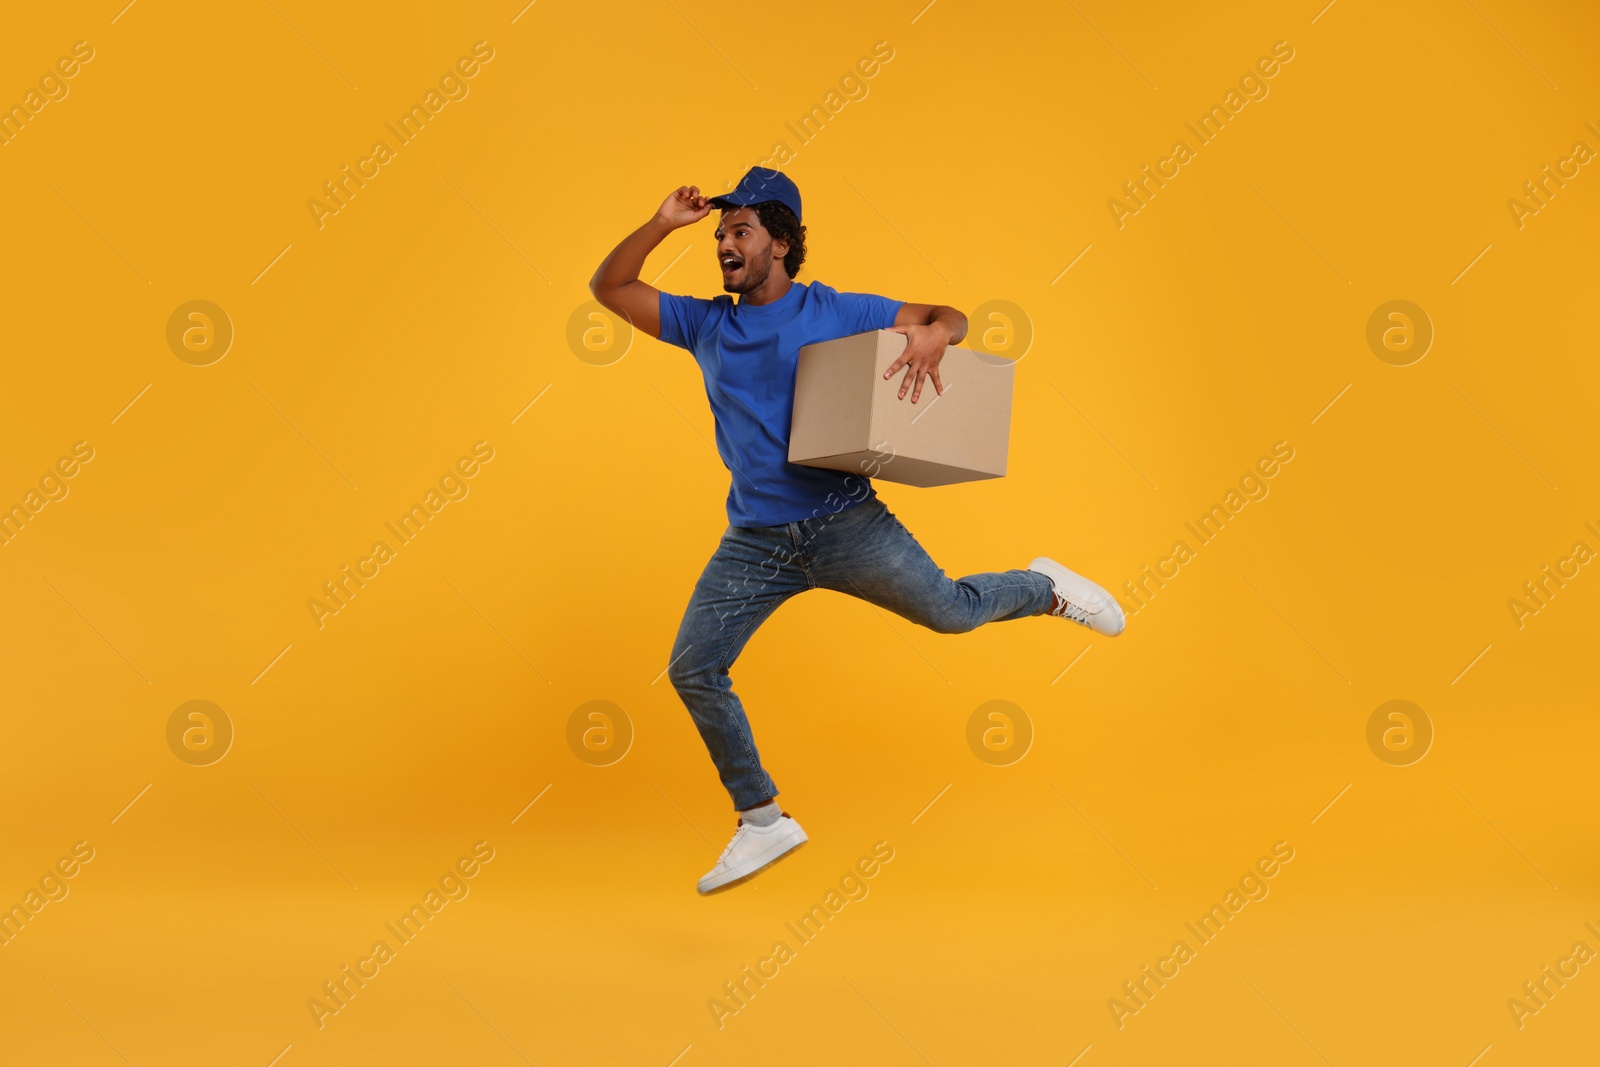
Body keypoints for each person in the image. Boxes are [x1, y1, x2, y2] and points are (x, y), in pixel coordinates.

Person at [590, 167, 1124, 894]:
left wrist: (936, 334)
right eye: (719, 234)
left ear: (780, 242)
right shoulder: (705, 323)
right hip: (755, 541)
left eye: (738, 231)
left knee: (952, 612)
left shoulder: (835, 309)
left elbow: (949, 314)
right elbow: (611, 288)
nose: (722, 244)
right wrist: (660, 224)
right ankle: (762, 819)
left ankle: (1047, 587)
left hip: (844, 518)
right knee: (693, 668)